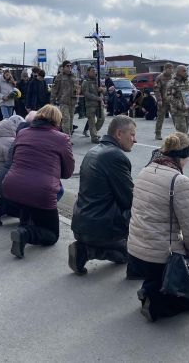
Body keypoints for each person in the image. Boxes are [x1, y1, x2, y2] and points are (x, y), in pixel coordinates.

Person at [127, 132, 189, 322]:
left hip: (134, 252)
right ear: (184, 157)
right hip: (160, 258)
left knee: (156, 252)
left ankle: (149, 290)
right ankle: (155, 305)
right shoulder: (179, 181)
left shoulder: (145, 170)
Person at [3, 105, 74, 259]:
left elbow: (15, 159)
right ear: (57, 122)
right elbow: (68, 173)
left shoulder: (22, 133)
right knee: (51, 235)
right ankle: (25, 234)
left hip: (12, 187)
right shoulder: (61, 138)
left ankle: (23, 226)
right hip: (40, 192)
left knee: (26, 199)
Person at [69, 115, 137, 275]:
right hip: (100, 227)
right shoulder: (115, 157)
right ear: (119, 134)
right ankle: (88, 251)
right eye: (132, 135)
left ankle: (85, 247)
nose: (135, 140)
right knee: (131, 254)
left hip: (82, 222)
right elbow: (130, 200)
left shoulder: (94, 151)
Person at [51, 60, 78, 136]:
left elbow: (77, 88)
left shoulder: (74, 76)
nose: (69, 68)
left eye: (70, 66)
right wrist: (52, 102)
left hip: (72, 101)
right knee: (66, 120)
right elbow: (54, 90)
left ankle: (68, 136)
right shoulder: (59, 77)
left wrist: (78, 91)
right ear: (63, 67)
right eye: (67, 66)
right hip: (63, 102)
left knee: (71, 121)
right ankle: (67, 138)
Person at [167, 65, 189, 135]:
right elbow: (169, 97)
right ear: (178, 72)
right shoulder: (172, 82)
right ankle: (182, 145)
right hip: (178, 112)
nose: (186, 72)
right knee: (181, 133)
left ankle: (184, 144)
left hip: (187, 111)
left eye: (186, 71)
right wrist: (180, 105)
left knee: (185, 131)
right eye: (184, 71)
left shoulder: (188, 82)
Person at [81, 66, 106, 144]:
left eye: (95, 71)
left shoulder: (98, 81)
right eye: (92, 71)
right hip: (90, 105)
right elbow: (86, 94)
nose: (94, 72)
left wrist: (102, 90)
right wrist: (97, 98)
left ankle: (94, 132)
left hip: (99, 104)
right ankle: (94, 137)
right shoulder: (85, 82)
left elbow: (105, 90)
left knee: (102, 119)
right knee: (91, 122)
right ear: (88, 72)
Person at [153, 63, 174, 140]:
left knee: (175, 117)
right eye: (169, 68)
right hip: (163, 101)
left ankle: (180, 133)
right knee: (160, 118)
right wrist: (159, 100)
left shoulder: (173, 77)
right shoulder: (160, 77)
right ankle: (158, 133)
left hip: (172, 101)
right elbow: (156, 89)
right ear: (165, 69)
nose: (171, 70)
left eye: (172, 69)